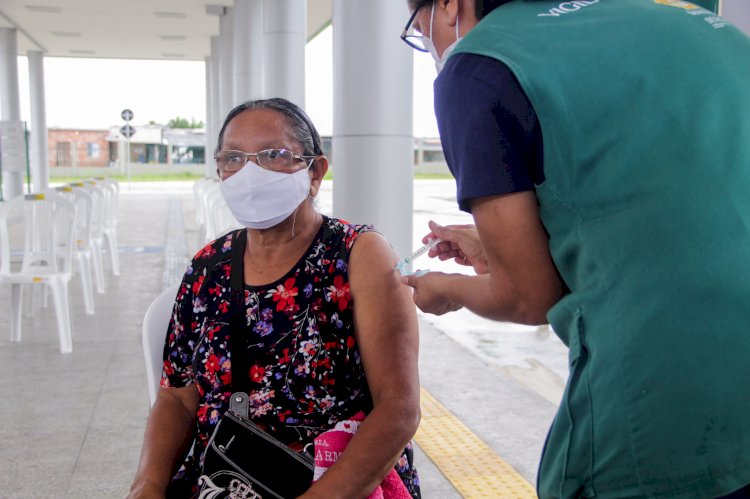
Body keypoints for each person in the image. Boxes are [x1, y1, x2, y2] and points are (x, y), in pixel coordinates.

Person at [400, 0, 750, 497]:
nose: (430, 46)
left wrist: (447, 289)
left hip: (671, 400)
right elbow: (665, 205)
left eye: (420, 29)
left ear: (449, 5)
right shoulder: (699, 25)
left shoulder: (480, 68)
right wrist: (498, 248)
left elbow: (528, 298)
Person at [128, 98, 421, 499]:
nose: (249, 173)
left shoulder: (359, 255)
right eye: (233, 158)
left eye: (273, 155)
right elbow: (178, 395)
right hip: (225, 476)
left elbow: (398, 408)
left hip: (335, 482)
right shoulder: (207, 267)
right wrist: (147, 484)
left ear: (315, 171)